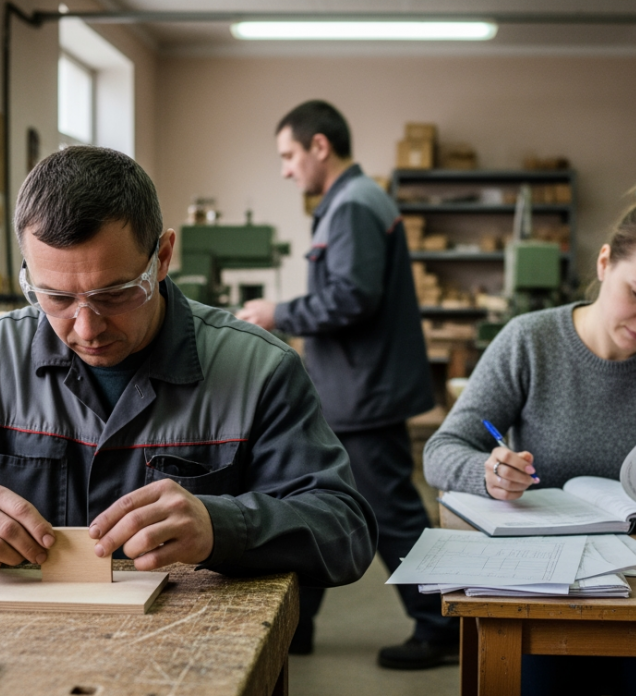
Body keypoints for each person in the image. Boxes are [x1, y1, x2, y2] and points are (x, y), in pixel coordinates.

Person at [0, 146, 377, 592]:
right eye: (54, 297)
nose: (86, 327)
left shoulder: (261, 369)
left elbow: (345, 529)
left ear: (164, 256)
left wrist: (221, 526)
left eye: (116, 294)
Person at [424, 177, 636, 695]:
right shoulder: (530, 340)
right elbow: (441, 451)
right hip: (551, 581)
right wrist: (489, 473)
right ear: (605, 263)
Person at [236, 100, 455, 669]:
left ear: (319, 147)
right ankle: (297, 626)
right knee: (309, 498)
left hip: (367, 392)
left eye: (289, 155)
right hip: (355, 389)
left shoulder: (354, 204)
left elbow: (354, 296)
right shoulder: (348, 201)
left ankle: (442, 626)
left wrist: (277, 310)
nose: (286, 169)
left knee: (391, 512)